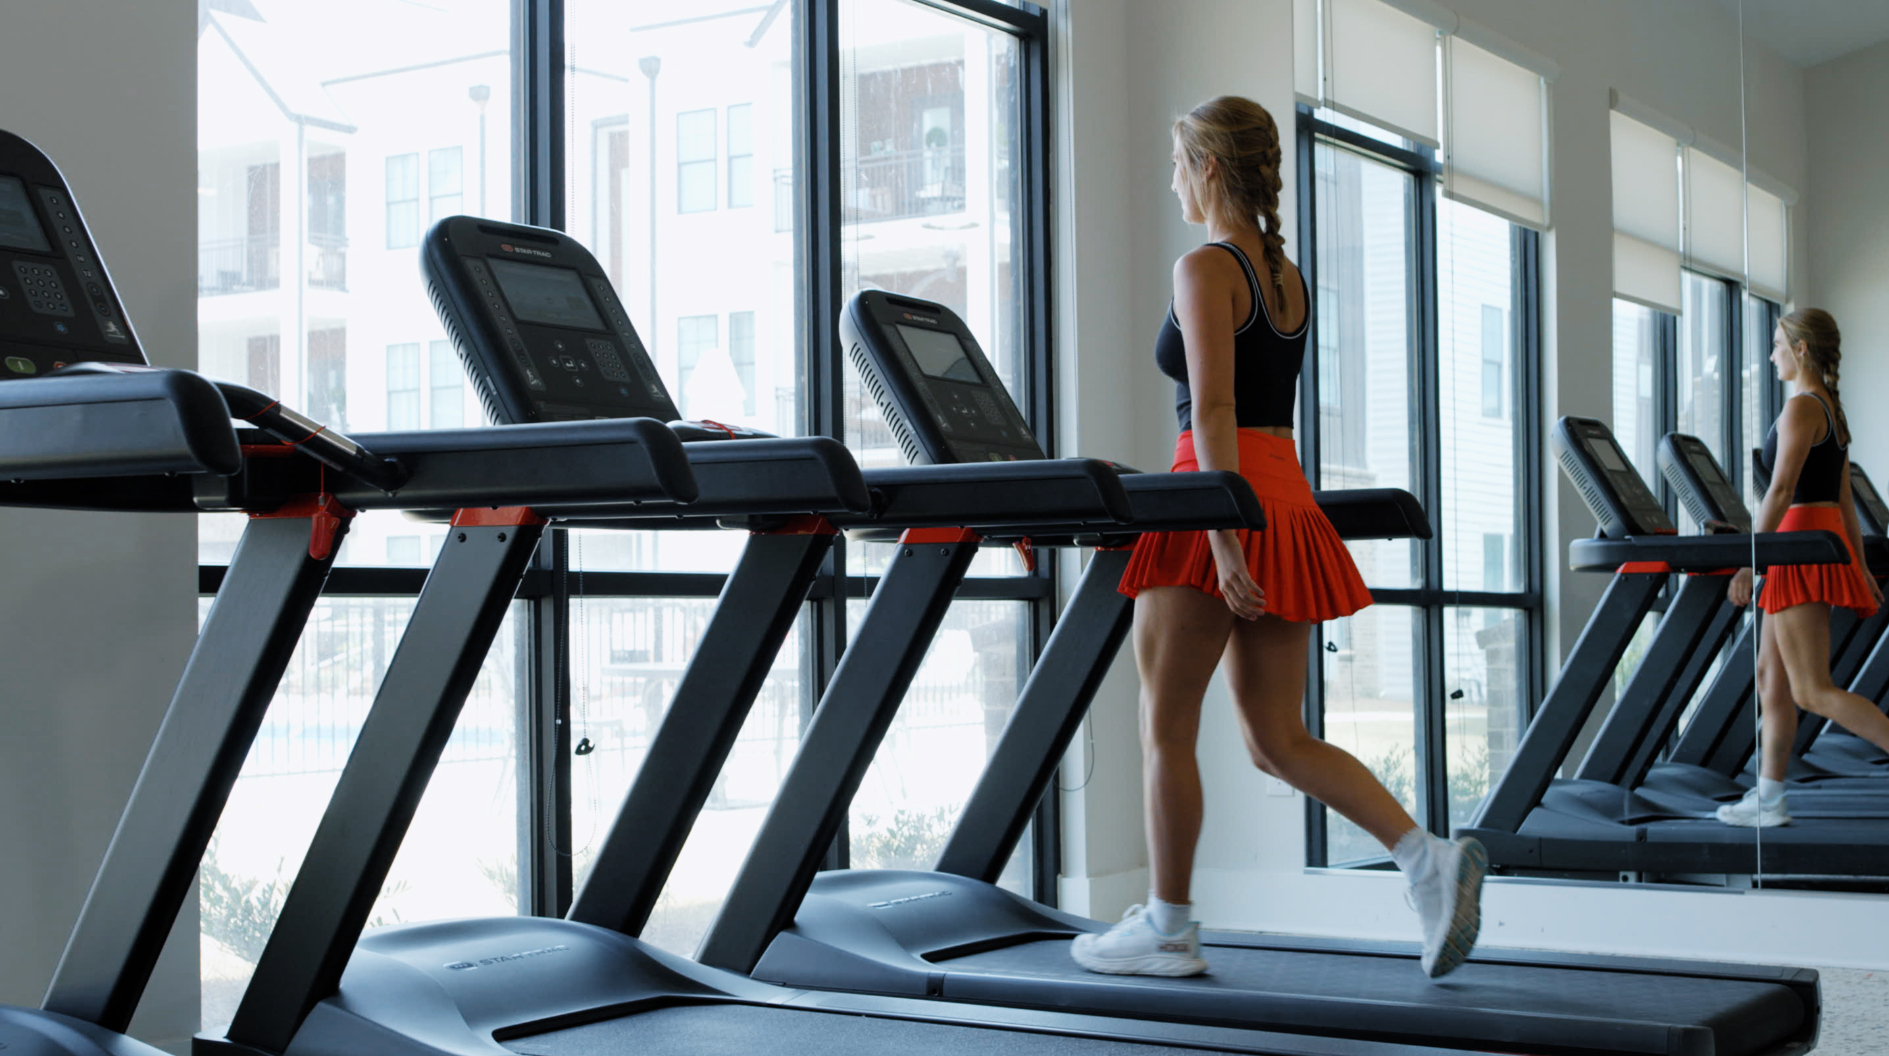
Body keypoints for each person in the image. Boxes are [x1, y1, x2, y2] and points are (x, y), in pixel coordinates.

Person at [1068, 96, 1484, 981]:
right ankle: (1424, 860)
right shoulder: (1284, 275)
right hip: (1284, 497)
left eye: (1179, 164)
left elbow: (1213, 410)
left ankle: (1169, 924)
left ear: (1209, 168)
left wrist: (1220, 538)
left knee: (1164, 728)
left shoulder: (1204, 265)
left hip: (1215, 502)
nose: (1172, 181)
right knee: (1274, 737)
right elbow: (1252, 414)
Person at [1719, 308, 1889, 827]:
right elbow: (1843, 504)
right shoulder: (1830, 410)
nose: (1770, 356)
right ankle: (1769, 800)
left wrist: (1749, 560)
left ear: (1801, 349)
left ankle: (1770, 799)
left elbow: (1782, 490)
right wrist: (1858, 567)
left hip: (1794, 547)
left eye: (1777, 345)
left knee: (1812, 688)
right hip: (1806, 544)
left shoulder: (1801, 410)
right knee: (1772, 678)